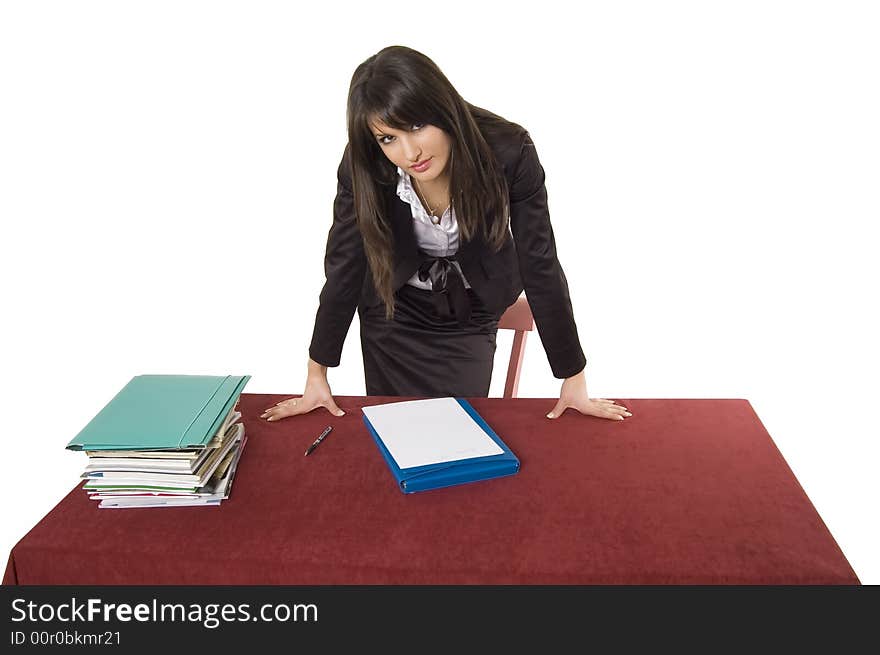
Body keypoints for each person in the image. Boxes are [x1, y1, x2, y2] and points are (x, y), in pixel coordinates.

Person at [261, 46, 631, 423]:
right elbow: (345, 262)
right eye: (388, 138)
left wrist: (573, 375)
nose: (410, 152)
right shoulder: (365, 163)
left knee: (459, 427)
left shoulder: (509, 151)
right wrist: (317, 372)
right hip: (392, 312)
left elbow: (539, 260)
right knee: (398, 429)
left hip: (471, 311)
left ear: (444, 108)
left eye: (417, 125)